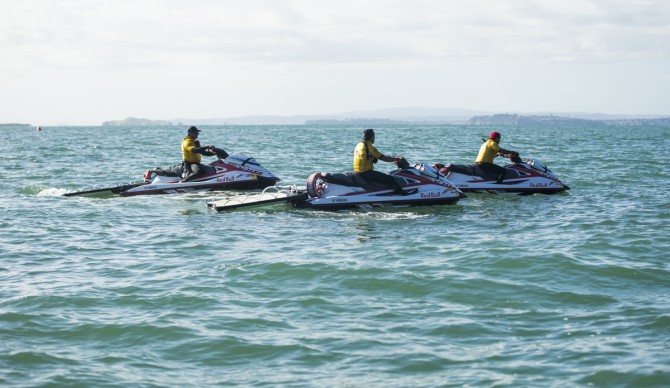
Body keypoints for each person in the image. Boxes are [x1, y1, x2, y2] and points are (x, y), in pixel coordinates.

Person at [353, 128, 409, 195]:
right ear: (372, 137)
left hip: (358, 172)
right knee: (391, 179)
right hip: (366, 173)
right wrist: (396, 159)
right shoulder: (369, 147)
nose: (374, 138)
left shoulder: (359, 145)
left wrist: (372, 158)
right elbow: (384, 158)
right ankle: (402, 195)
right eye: (374, 136)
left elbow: (365, 157)